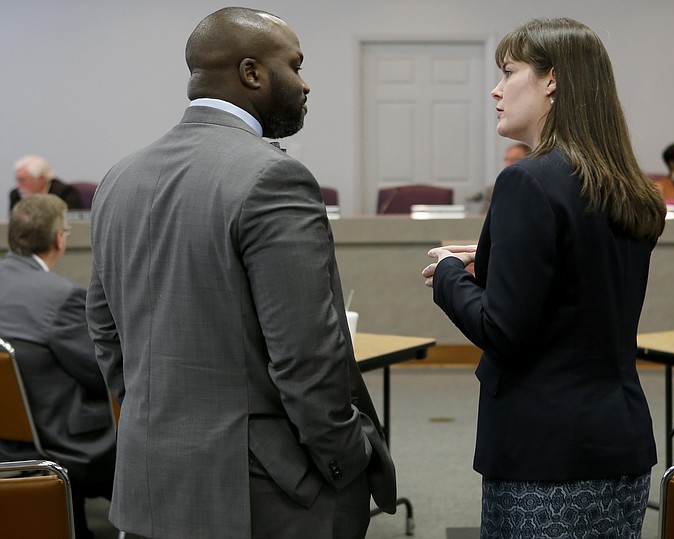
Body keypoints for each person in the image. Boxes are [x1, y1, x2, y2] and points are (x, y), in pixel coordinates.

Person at [85, 7, 395, 539]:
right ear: (252, 73)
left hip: (149, 482)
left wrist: (153, 412)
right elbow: (305, 356)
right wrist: (348, 458)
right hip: (264, 494)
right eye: (294, 66)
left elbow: (103, 326)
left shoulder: (119, 176)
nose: (305, 84)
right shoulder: (276, 177)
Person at [421, 18, 665, 538]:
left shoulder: (526, 181)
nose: (496, 88)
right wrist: (489, 262)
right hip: (619, 443)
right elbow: (575, 289)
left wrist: (447, 276)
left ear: (551, 80)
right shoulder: (627, 187)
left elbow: (504, 330)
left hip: (546, 454)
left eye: (509, 71)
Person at [0, 194, 116, 539]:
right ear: (60, 239)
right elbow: (102, 374)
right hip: (59, 439)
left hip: (8, 436)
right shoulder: (61, 297)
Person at [10, 155, 85, 211]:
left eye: (22, 180)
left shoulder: (66, 194)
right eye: (17, 180)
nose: (18, 186)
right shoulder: (16, 195)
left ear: (41, 179)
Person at [482, 143, 531, 212]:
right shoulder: (492, 190)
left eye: (513, 160)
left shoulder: (534, 189)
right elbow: (483, 218)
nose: (508, 164)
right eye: (506, 160)